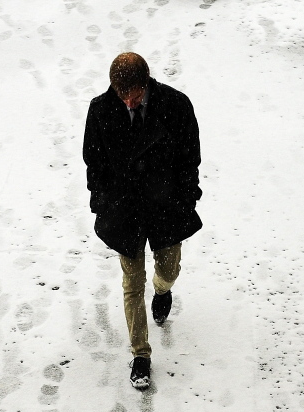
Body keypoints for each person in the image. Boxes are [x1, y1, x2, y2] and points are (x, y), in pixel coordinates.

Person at [83, 53, 202, 389]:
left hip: (165, 205)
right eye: (122, 95)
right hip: (125, 209)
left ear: (146, 83)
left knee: (169, 268)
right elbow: (94, 161)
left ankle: (163, 291)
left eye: (133, 94)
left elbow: (189, 156)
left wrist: (185, 196)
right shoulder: (100, 109)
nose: (128, 101)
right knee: (131, 283)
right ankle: (141, 354)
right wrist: (102, 202)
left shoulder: (176, 105)